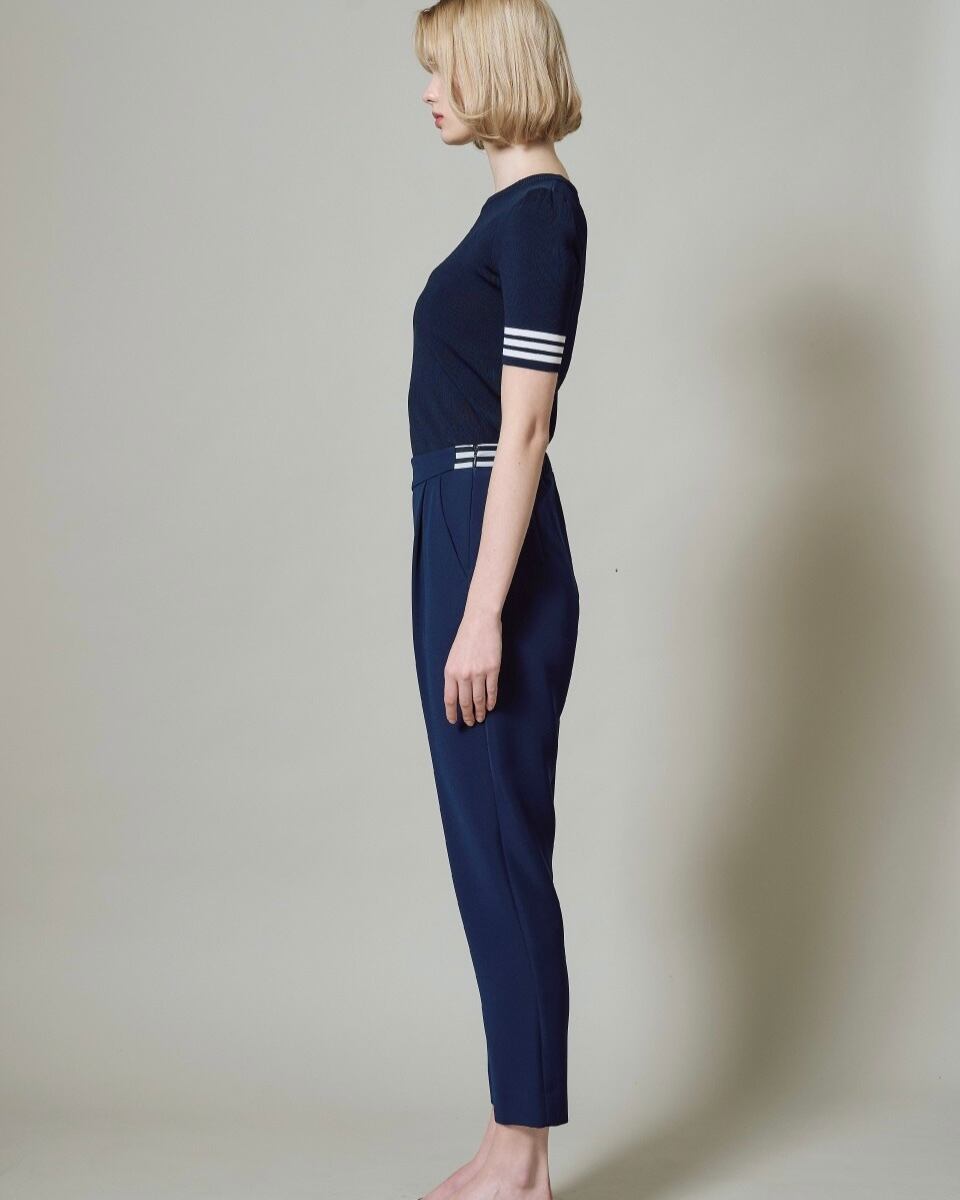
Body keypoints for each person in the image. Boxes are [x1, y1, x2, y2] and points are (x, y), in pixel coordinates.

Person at [408, 2, 587, 1197]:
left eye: (442, 71)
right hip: (459, 519)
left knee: (505, 851)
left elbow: (527, 426)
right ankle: (503, 1135)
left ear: (495, 68)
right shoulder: (507, 211)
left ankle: (522, 1164)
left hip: (489, 536)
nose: (428, 93)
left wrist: (482, 612)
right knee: (488, 849)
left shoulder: (539, 214)